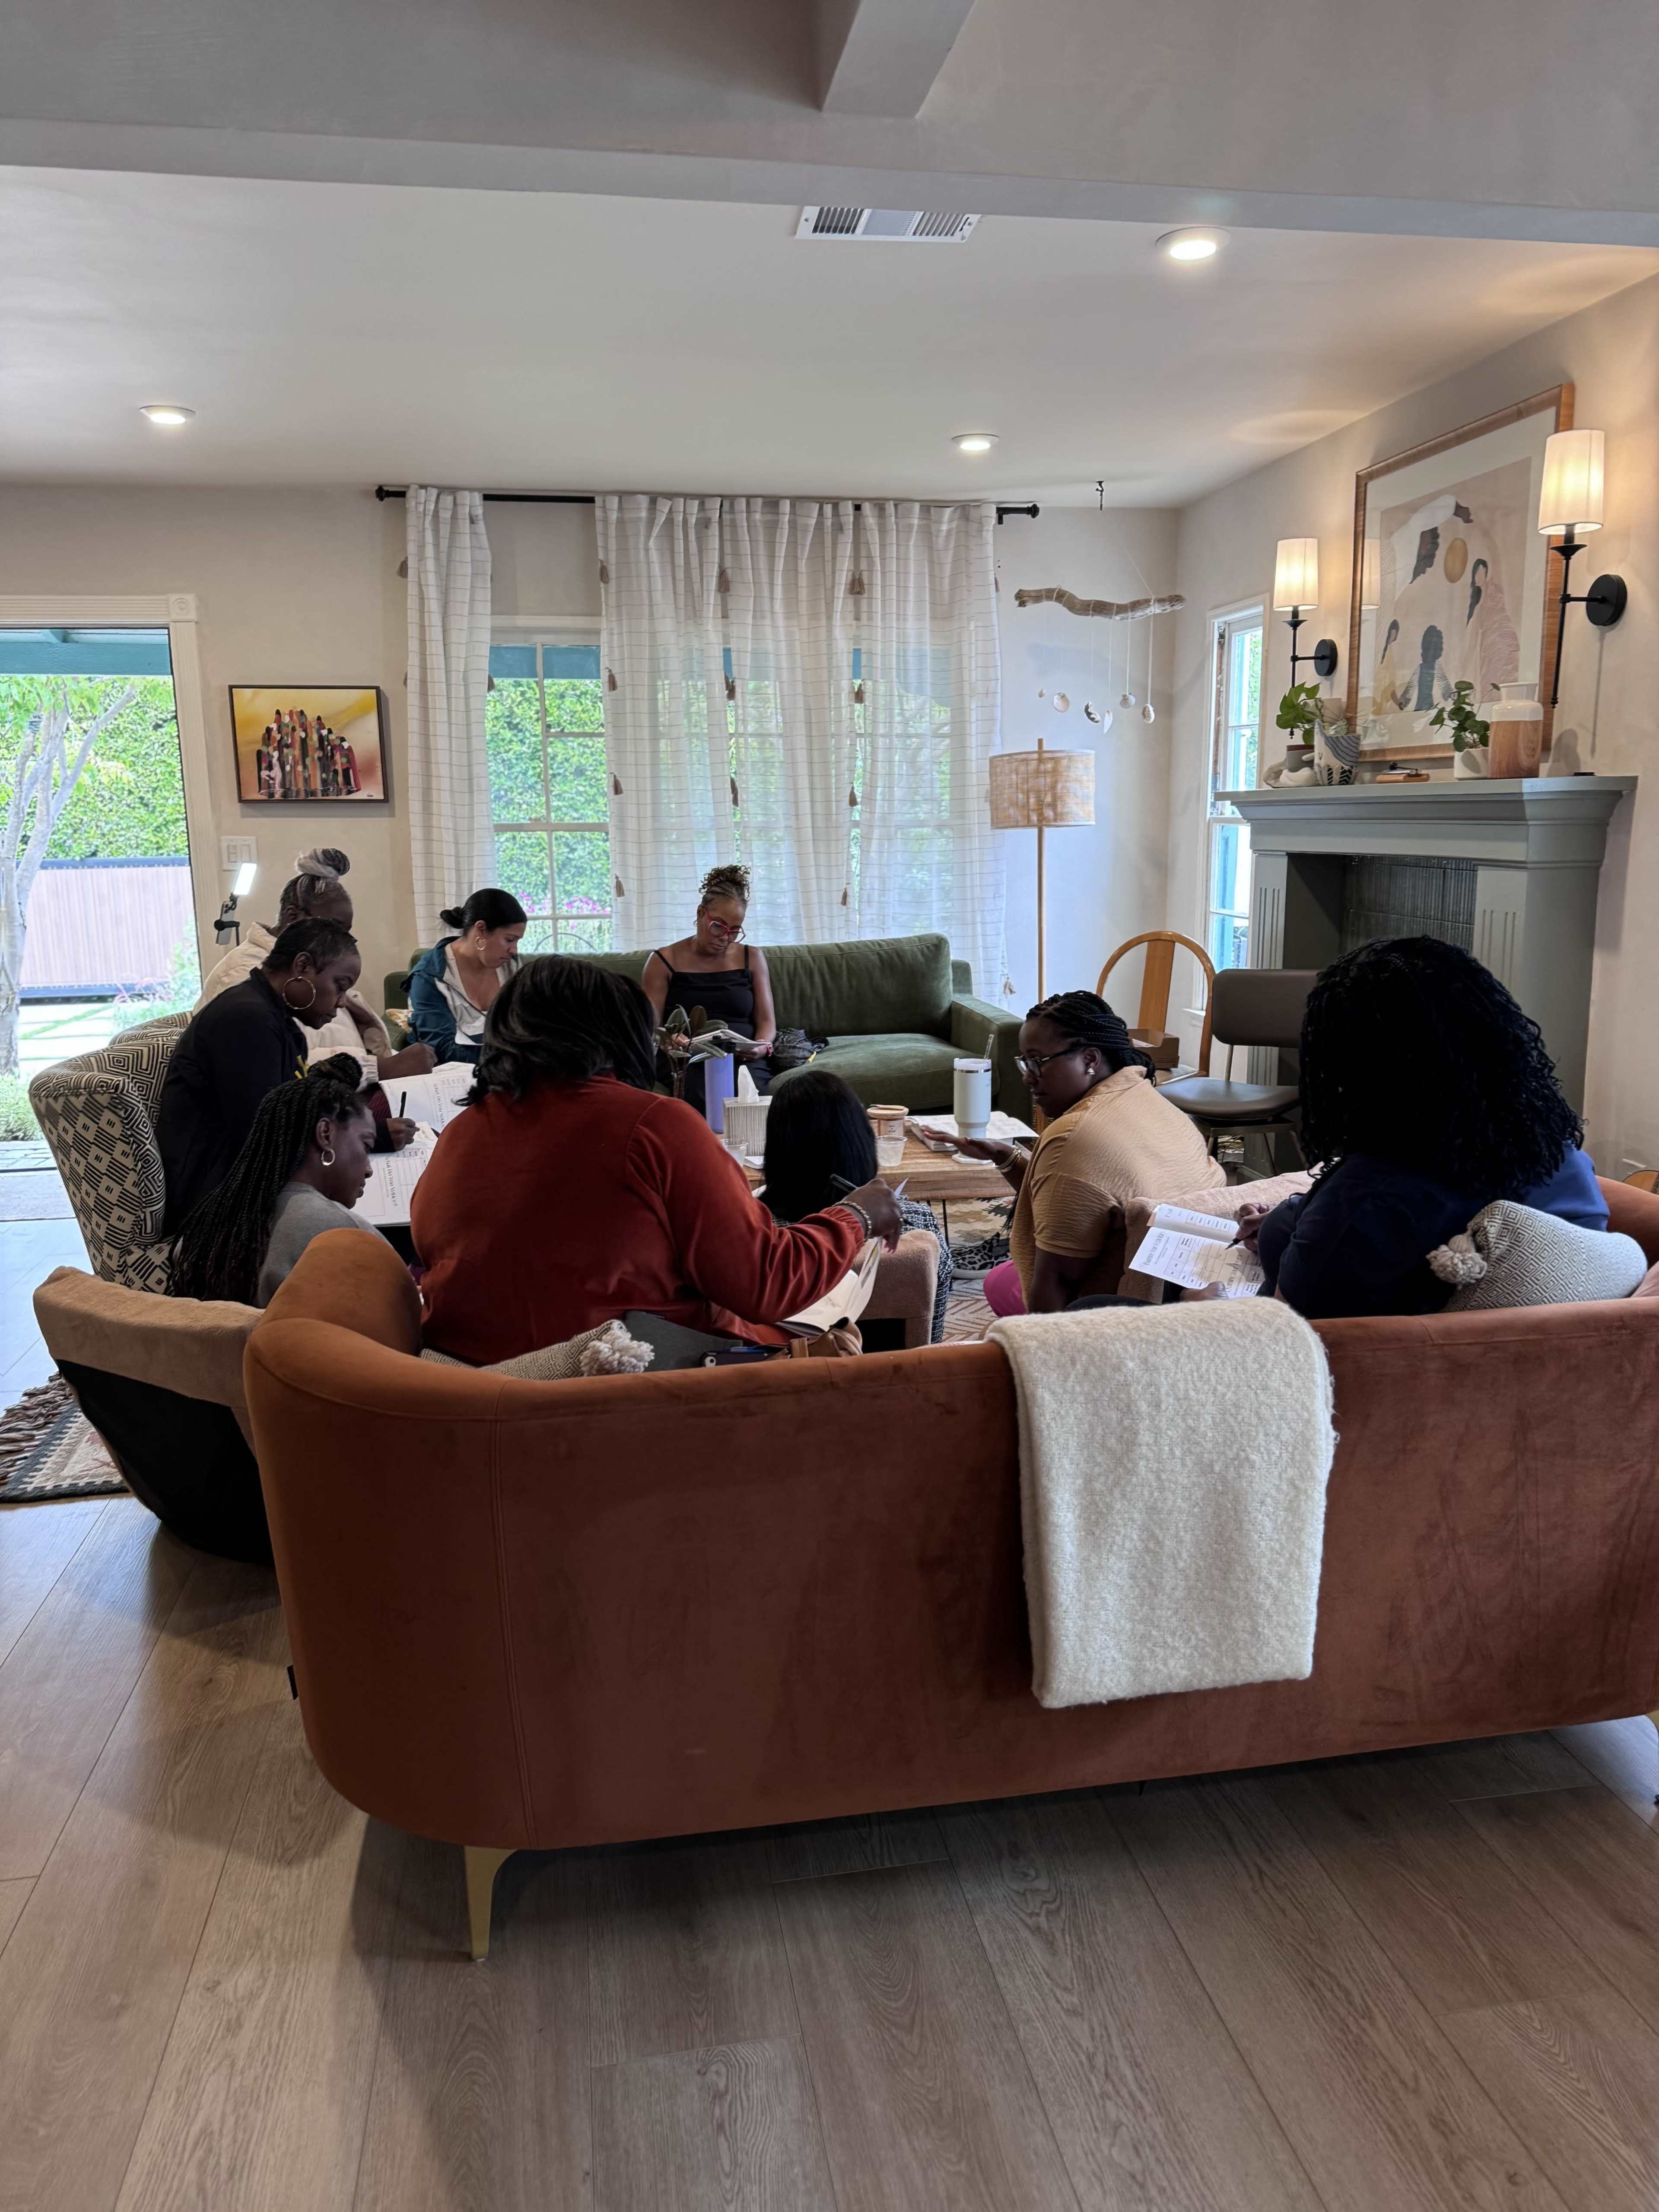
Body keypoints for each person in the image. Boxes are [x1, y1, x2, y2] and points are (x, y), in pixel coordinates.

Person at [412, 957, 901, 1363]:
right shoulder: (654, 1125)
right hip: (630, 1385)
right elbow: (766, 1283)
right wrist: (855, 1215)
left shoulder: (460, 1134)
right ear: (619, 1034)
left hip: (474, 1389)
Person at [1239, 937, 1607, 1321]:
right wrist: (1298, 1216)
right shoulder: (1554, 1154)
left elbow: (1274, 1341)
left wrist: (1201, 1302)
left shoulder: (1367, 1201)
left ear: (1354, 1069)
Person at [958, 990, 1221, 1315]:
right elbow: (1078, 1192)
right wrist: (1007, 1156)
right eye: (1024, 1062)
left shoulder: (1073, 1137)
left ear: (1091, 1059)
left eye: (1038, 1062)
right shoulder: (1158, 1104)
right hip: (1181, 1294)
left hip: (1112, 1316)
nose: (1028, 1077)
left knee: (999, 1284)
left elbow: (1056, 1282)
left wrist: (1037, 1356)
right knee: (1001, 1276)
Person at [159, 917, 409, 1233]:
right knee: (385, 1231)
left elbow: (291, 1116)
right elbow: (268, 1139)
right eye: (340, 985)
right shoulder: (246, 1020)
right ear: (303, 966)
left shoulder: (274, 1019)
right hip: (217, 1207)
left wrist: (362, 1140)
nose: (342, 1001)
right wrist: (369, 1140)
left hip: (245, 1183)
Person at [197, 848, 434, 1085]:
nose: (340, 941)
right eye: (333, 928)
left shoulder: (313, 967)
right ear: (293, 916)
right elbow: (288, 1071)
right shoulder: (241, 977)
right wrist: (380, 1068)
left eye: (346, 933)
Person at [166, 1053, 386, 1306]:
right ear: (325, 1134)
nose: (369, 1169)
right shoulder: (340, 1230)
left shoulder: (202, 1229)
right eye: (367, 1146)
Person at [760, 1068, 954, 1343]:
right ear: (861, 1141)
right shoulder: (919, 1226)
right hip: (897, 1378)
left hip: (793, 1378)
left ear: (778, 1150)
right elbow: (931, 1337)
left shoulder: (762, 1239)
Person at [642, 863, 776, 1111]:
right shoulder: (663, 961)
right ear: (701, 913)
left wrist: (761, 1046)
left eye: (735, 930)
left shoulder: (753, 958)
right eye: (719, 926)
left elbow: (767, 1022)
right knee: (699, 1095)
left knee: (750, 1100)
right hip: (687, 1057)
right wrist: (670, 1039)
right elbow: (651, 1025)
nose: (725, 937)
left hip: (741, 1057)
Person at [407, 889, 528, 1063]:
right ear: (481, 930)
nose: (514, 950)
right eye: (510, 940)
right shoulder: (428, 977)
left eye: (517, 941)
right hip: (452, 1077)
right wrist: (519, 1058)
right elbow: (442, 1049)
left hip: (510, 1071)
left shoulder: (513, 966)